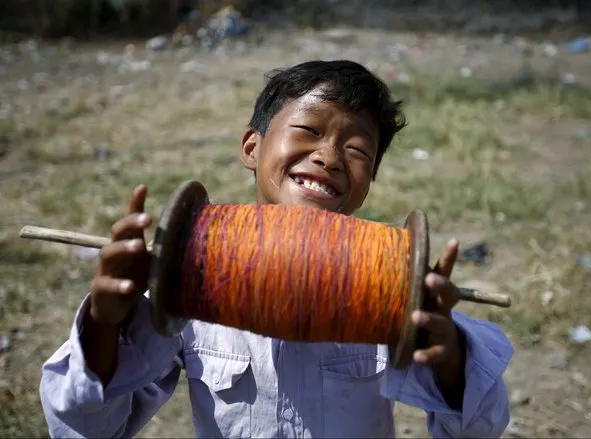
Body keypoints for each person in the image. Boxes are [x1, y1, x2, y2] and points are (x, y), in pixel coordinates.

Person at [40, 60, 514, 438]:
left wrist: (451, 357)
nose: (329, 156)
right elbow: (88, 427)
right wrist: (105, 327)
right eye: (308, 130)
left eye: (358, 150)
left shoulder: (391, 286)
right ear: (252, 146)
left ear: (369, 179)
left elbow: (479, 429)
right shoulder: (191, 276)